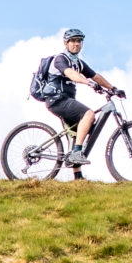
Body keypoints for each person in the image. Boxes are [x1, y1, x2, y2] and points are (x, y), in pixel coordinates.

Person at [43, 29, 118, 176]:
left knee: (78, 134)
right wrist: (88, 83)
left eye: (79, 41)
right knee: (88, 114)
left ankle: (78, 176)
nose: (77, 44)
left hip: (67, 100)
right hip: (56, 99)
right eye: (73, 41)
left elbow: (96, 76)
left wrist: (113, 88)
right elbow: (71, 73)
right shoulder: (60, 59)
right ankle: (77, 152)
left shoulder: (78, 63)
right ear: (66, 43)